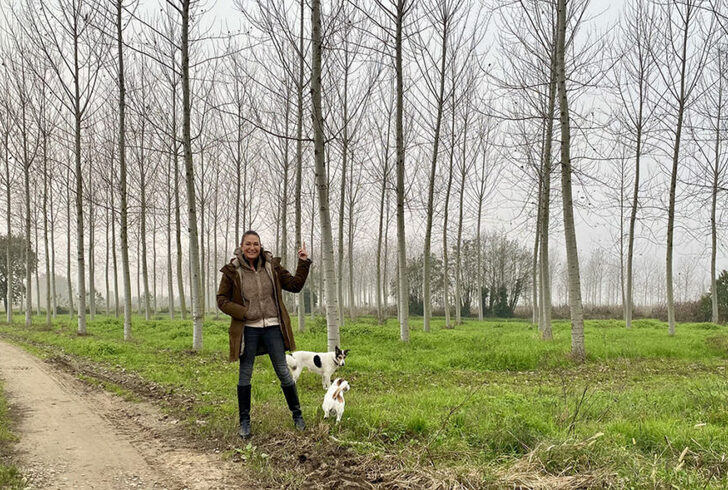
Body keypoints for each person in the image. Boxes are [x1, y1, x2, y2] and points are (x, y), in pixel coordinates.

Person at [216, 230, 312, 438]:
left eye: (256, 244)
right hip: (248, 329)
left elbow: (295, 286)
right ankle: (244, 422)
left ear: (260, 246)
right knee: (245, 373)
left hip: (273, 328)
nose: (252, 248)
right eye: (248, 244)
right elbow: (221, 300)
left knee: (283, 371)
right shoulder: (232, 271)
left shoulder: (272, 266)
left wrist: (303, 262)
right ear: (241, 246)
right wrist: (244, 312)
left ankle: (297, 416)